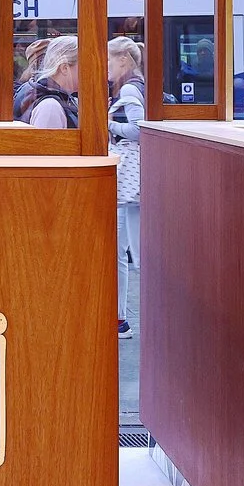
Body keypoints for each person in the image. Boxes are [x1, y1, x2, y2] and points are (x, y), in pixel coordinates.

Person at [108, 37, 146, 337]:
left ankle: (120, 318)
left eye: (109, 60)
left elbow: (138, 129)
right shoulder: (140, 84)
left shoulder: (128, 89)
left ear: (123, 60)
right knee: (135, 249)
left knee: (119, 250)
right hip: (136, 180)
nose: (105, 67)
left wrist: (108, 125)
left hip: (126, 179)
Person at [22, 35, 82, 129]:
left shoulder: (54, 98)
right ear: (64, 68)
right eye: (84, 65)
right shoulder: (50, 107)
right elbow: (47, 143)